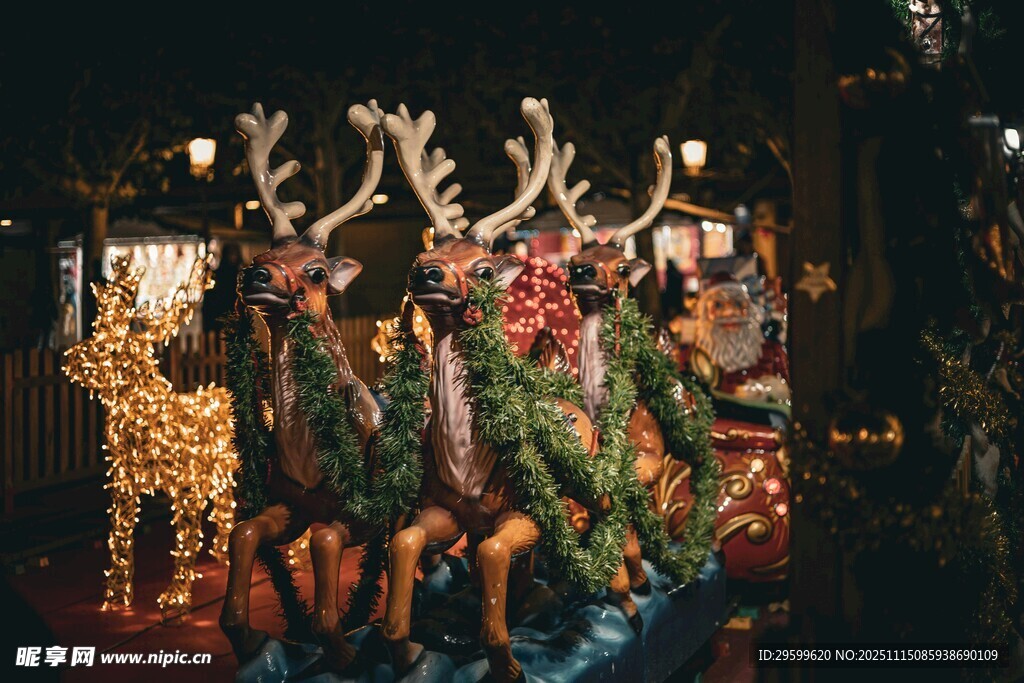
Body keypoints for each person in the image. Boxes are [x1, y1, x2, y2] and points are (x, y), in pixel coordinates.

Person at [202, 242, 243, 332]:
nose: (233, 257)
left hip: (234, 314)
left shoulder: (240, 275)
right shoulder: (219, 274)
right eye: (230, 253)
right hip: (220, 314)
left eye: (234, 254)